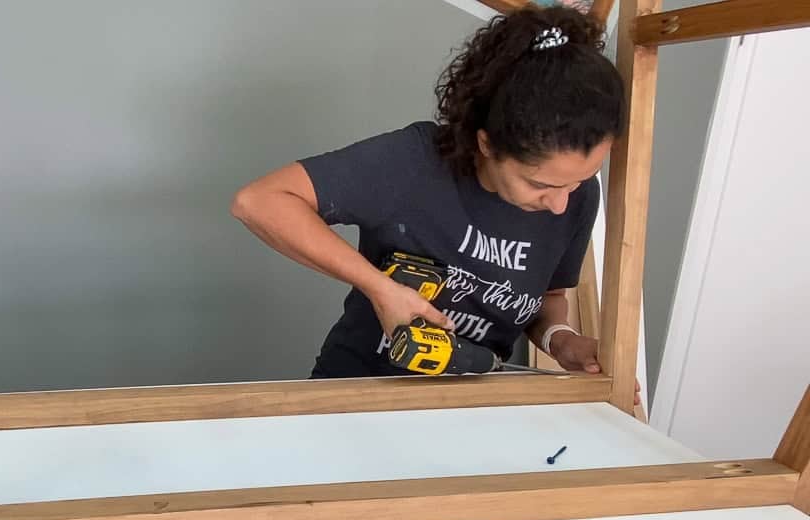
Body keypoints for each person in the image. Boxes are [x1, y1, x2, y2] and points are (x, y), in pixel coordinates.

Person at [232, 6, 635, 392]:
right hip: (353, 391)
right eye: (540, 185)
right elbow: (260, 201)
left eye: (578, 181)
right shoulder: (417, 163)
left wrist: (561, 340)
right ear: (487, 145)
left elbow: (545, 298)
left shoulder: (579, 198)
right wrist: (380, 288)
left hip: (469, 408)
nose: (560, 204)